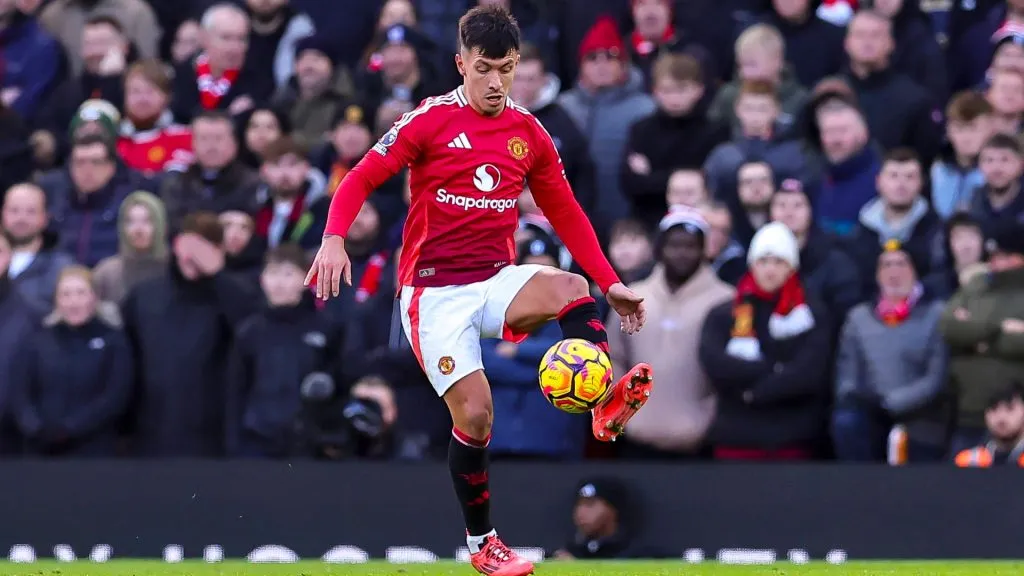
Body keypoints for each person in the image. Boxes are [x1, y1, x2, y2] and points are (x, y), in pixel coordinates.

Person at [305, 7, 652, 576]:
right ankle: (484, 542)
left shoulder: (529, 131)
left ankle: (603, 398)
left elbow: (563, 210)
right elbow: (363, 175)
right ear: (460, 62)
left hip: (492, 279)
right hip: (433, 294)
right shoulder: (428, 121)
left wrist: (610, 282)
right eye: (485, 68)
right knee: (477, 415)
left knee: (571, 285)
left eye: (507, 70)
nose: (496, 83)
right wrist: (334, 238)